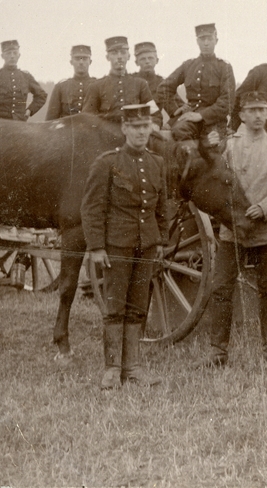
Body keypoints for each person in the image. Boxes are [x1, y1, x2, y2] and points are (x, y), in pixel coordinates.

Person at [81, 104, 167, 390]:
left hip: (146, 246)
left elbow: (162, 209)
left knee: (138, 306)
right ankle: (112, 368)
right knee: (115, 306)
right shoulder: (107, 163)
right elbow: (92, 208)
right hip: (117, 246)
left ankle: (133, 367)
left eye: (146, 126)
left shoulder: (157, 163)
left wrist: (161, 242)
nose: (142, 132)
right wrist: (96, 246)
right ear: (124, 129)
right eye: (136, 127)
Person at [202, 91, 267, 368]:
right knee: (221, 288)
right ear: (241, 115)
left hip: (266, 231)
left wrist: (265, 208)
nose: (257, 115)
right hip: (233, 232)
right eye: (251, 110)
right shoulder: (229, 145)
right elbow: (214, 177)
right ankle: (218, 351)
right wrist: (210, 149)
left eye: (262, 110)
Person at [157, 23, 235, 143]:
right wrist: (175, 110)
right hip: (190, 118)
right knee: (179, 132)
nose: (206, 43)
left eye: (209, 39)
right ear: (197, 41)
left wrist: (201, 115)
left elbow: (227, 101)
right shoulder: (188, 65)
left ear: (216, 40)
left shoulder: (224, 67)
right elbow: (164, 88)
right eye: (202, 39)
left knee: (211, 145)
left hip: (214, 121)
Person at [83, 37, 154, 121]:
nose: (119, 57)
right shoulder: (96, 86)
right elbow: (86, 117)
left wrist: (155, 124)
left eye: (123, 53)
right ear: (107, 57)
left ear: (128, 56)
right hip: (106, 133)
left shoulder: (140, 84)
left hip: (134, 131)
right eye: (114, 53)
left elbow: (155, 113)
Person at [0, 40, 47, 121]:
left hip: (20, 124)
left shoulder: (26, 76)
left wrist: (30, 110)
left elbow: (41, 95)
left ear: (19, 55)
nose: (12, 56)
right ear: (2, 56)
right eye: (8, 53)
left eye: (15, 53)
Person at [44, 45, 94, 121]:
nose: (81, 62)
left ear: (90, 61)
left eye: (84, 59)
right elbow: (50, 120)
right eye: (77, 59)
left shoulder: (99, 86)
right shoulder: (60, 87)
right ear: (71, 62)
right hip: (67, 132)